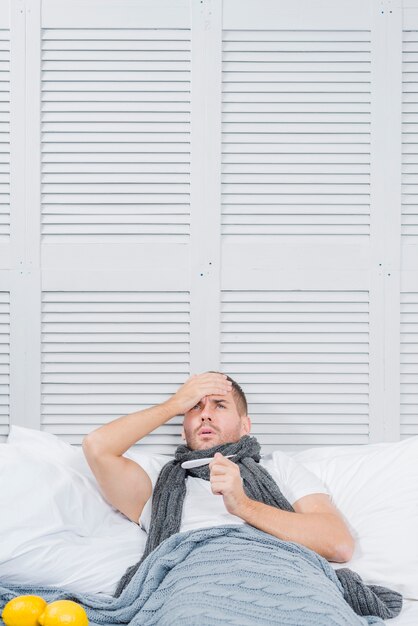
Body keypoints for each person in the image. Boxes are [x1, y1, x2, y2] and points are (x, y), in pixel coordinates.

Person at [82, 371, 355, 564]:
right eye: (195, 407)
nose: (206, 414)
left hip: (281, 572)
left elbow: (338, 544)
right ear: (182, 428)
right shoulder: (158, 483)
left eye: (219, 405)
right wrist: (175, 403)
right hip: (196, 583)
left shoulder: (281, 468)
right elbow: (97, 447)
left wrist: (243, 506)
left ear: (245, 426)